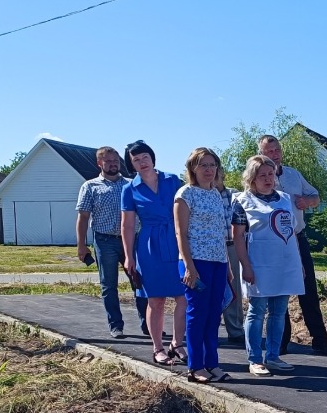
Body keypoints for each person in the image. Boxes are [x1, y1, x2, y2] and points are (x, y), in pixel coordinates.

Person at [258, 134, 327, 356]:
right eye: (269, 152)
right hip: (272, 243)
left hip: (297, 238)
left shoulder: (293, 174)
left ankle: (320, 341)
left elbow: (315, 196)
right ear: (260, 154)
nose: (274, 155)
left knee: (308, 289)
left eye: (277, 150)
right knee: (278, 292)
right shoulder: (258, 179)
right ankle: (280, 343)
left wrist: (307, 201)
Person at [232, 155, 303, 376]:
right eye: (262, 175)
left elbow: (292, 233)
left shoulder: (285, 199)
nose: (267, 178)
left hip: (285, 264)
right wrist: (246, 266)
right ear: (252, 178)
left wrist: (298, 263)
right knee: (257, 311)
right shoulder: (242, 201)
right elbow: (237, 237)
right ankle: (254, 359)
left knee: (279, 312)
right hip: (259, 265)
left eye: (270, 174)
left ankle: (273, 356)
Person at [121, 140, 187, 366]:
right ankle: (157, 348)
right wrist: (128, 256)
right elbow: (127, 226)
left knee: (184, 296)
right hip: (149, 246)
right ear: (131, 165)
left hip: (176, 241)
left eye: (145, 157)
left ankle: (177, 343)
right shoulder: (129, 189)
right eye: (136, 160)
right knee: (155, 300)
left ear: (152, 157)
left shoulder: (173, 180)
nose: (142, 162)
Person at [173, 147, 233, 383]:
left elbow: (220, 232)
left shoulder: (216, 194)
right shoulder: (185, 194)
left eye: (212, 165)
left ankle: (212, 363)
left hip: (218, 261)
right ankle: (195, 366)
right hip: (196, 262)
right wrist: (189, 266)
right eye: (203, 165)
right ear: (193, 168)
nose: (209, 170)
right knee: (197, 315)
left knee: (214, 314)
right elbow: (180, 233)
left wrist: (227, 265)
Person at [75, 146, 146, 338]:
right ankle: (116, 326)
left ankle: (148, 324)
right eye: (109, 161)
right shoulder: (90, 186)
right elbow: (83, 217)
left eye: (116, 161)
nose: (113, 164)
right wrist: (81, 244)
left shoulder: (131, 185)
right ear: (100, 163)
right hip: (105, 240)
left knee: (139, 281)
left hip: (131, 239)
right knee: (109, 285)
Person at [216, 171, 246, 346]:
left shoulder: (235, 195)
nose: (214, 175)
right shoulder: (204, 196)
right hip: (212, 248)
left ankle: (235, 330)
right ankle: (210, 329)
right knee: (213, 290)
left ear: (222, 174)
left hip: (232, 246)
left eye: (217, 171)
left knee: (234, 289)